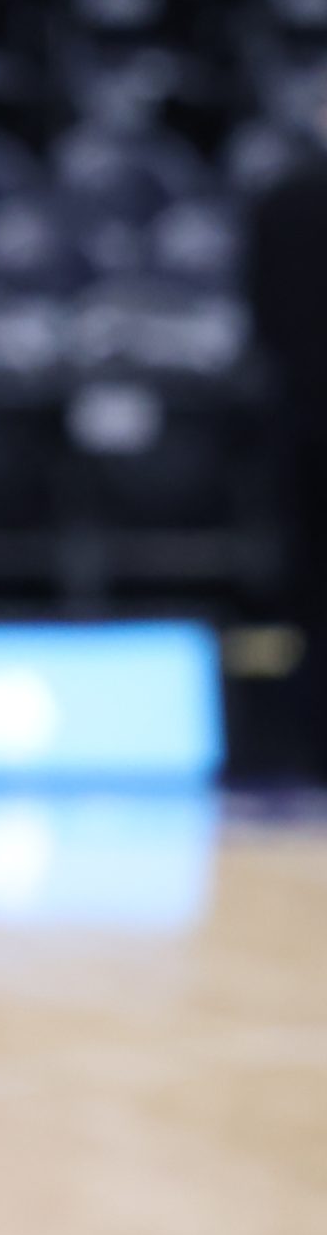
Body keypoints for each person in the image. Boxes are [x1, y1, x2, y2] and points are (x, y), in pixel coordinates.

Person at [246, 101, 327, 778]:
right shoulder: (285, 201)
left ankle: (313, 752)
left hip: (303, 425)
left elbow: (262, 323)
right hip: (306, 426)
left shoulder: (282, 200)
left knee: (313, 596)